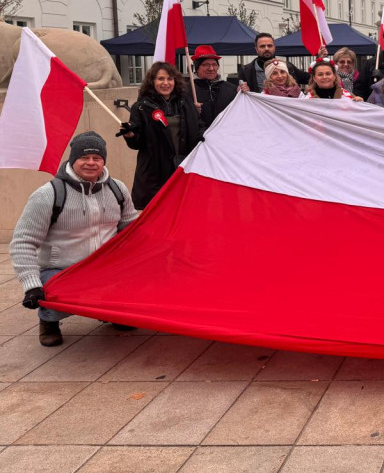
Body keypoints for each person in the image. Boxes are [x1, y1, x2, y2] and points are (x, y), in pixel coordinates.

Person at [11, 132, 139, 346]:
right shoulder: (48, 194)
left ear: (104, 161)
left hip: (104, 268)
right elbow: (23, 241)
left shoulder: (118, 189)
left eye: (97, 158)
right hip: (62, 270)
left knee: (141, 282)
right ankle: (48, 321)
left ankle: (110, 312)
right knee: (52, 292)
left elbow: (132, 229)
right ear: (73, 159)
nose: (91, 163)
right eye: (84, 157)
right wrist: (31, 285)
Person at [119, 62, 203, 209]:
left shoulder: (186, 102)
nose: (166, 83)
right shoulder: (141, 107)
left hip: (182, 168)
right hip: (154, 172)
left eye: (169, 79)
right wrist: (130, 135)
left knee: (182, 210)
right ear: (152, 82)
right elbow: (137, 143)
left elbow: (199, 127)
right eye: (161, 79)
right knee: (156, 213)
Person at [238, 32, 310, 93]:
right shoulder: (246, 71)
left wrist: (320, 61)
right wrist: (241, 90)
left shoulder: (288, 67)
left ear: (274, 47)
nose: (266, 49)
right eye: (262, 46)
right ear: (256, 49)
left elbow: (311, 79)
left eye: (269, 46)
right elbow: (239, 94)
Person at [191, 44, 238, 126]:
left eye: (214, 64)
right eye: (206, 65)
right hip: (198, 138)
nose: (211, 69)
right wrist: (190, 111)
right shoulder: (186, 90)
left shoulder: (231, 89)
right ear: (197, 68)